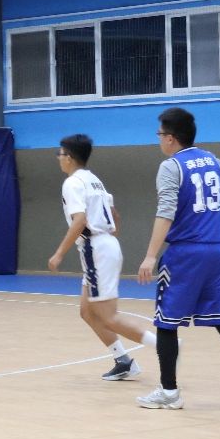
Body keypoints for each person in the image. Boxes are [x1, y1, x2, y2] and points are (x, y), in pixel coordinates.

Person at [136, 107, 220, 411]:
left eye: (160, 134)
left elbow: (166, 211)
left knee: (166, 322)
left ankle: (169, 392)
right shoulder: (214, 161)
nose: (159, 139)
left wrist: (150, 255)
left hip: (185, 254)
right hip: (217, 253)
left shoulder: (171, 166)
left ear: (170, 138)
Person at [48, 134, 156, 381]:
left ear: (69, 157)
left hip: (95, 247)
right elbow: (115, 215)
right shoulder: (94, 180)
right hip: (106, 244)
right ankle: (123, 361)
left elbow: (80, 220)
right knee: (87, 311)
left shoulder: (72, 183)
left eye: (60, 154)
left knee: (108, 316)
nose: (58, 158)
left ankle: (164, 346)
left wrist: (59, 253)